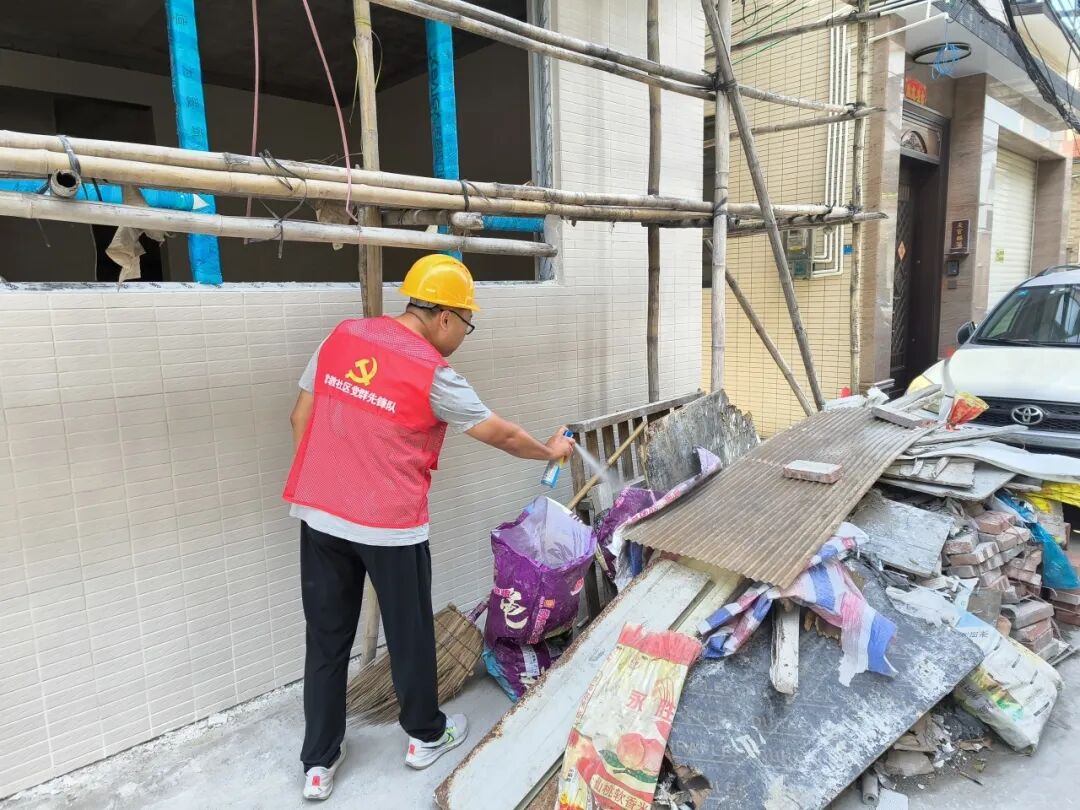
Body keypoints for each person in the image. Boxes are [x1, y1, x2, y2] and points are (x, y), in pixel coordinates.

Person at [283, 254, 575, 801]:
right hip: (390, 528)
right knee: (410, 633)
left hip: (319, 516)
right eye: (467, 323)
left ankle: (318, 763)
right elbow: (500, 434)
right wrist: (549, 449)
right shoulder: (433, 374)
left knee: (325, 639)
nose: (464, 334)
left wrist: (330, 483)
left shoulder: (341, 338)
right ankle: (424, 736)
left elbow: (301, 417)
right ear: (444, 316)